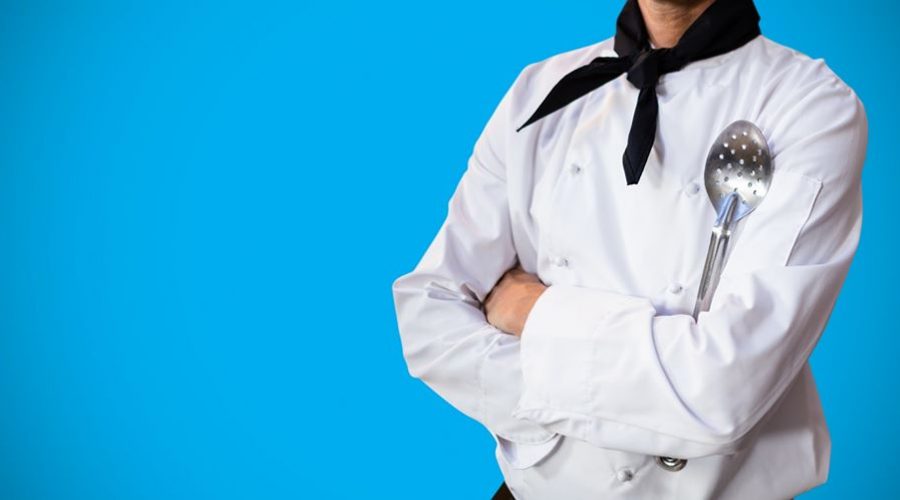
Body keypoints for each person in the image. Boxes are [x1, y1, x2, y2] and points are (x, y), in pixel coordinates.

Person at [391, 0, 868, 498]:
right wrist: (646, 407)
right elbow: (429, 318)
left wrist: (534, 314)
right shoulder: (539, 90)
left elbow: (723, 394)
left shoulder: (811, 106)